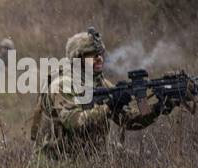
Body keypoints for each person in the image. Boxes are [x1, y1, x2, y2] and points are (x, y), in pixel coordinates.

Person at [31, 27, 164, 158]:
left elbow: (129, 120)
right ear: (79, 58)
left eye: (100, 54)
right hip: (57, 159)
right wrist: (109, 106)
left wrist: (158, 107)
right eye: (93, 55)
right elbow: (74, 122)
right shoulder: (62, 85)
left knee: (147, 159)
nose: (99, 58)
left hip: (92, 155)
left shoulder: (101, 83)